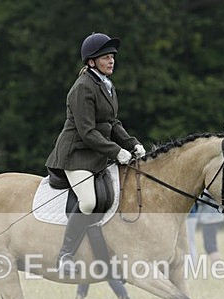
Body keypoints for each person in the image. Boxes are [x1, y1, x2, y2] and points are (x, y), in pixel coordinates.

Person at [46, 32, 145, 277]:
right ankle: (65, 255)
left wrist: (132, 144)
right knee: (89, 201)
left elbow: (113, 122)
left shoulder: (106, 85)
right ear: (91, 61)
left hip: (96, 156)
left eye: (112, 56)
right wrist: (117, 151)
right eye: (105, 57)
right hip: (75, 155)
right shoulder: (82, 88)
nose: (111, 61)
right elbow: (87, 132)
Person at [187, 191, 224, 265]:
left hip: (210, 219)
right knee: (211, 246)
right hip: (214, 217)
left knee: (210, 247)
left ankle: (219, 267)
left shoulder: (211, 188)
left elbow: (201, 199)